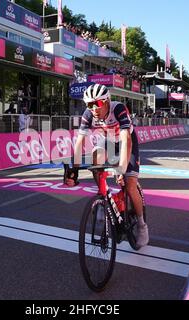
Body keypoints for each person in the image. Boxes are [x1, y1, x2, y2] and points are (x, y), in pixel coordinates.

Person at [64, 84, 149, 249]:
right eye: (90, 104)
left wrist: (122, 166)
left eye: (98, 104)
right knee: (96, 157)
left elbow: (126, 139)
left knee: (130, 186)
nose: (94, 109)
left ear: (107, 101)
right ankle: (103, 196)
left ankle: (142, 225)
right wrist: (73, 168)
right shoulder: (88, 114)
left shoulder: (118, 109)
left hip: (127, 141)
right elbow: (80, 141)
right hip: (108, 140)